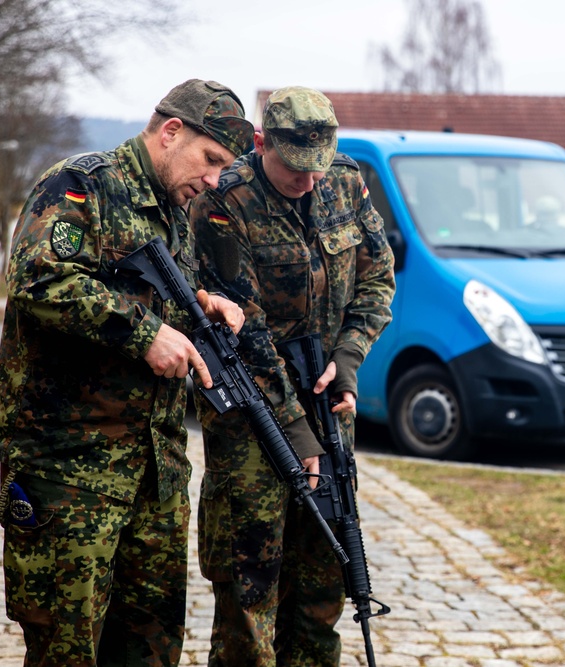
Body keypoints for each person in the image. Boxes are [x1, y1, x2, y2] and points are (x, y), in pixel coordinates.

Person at [0, 79, 253, 666]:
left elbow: (144, 292)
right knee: (66, 648)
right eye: (210, 161)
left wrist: (199, 303)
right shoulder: (82, 184)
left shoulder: (172, 210)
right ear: (171, 131)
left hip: (153, 470)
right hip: (69, 465)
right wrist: (146, 334)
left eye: (224, 169)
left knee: (150, 647)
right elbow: (39, 280)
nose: (212, 181)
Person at [188, 86, 396, 666]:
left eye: (317, 168)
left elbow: (378, 280)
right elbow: (242, 334)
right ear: (263, 144)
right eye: (294, 169)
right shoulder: (224, 204)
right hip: (255, 424)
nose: (308, 181)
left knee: (322, 588)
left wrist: (349, 359)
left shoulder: (347, 182)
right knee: (249, 603)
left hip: (328, 415)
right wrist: (293, 432)